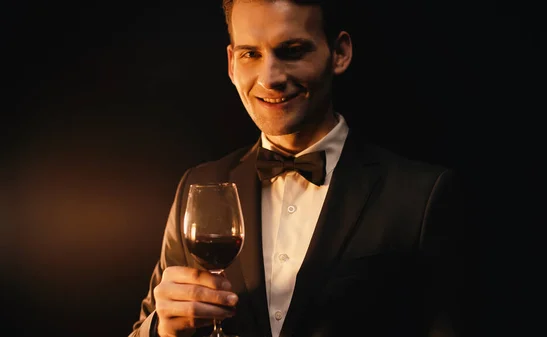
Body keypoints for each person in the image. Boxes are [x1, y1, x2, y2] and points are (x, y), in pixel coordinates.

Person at [129, 0, 467, 336]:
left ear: (340, 53)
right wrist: (162, 329)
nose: (269, 78)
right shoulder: (198, 184)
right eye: (251, 54)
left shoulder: (421, 196)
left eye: (291, 50)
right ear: (232, 64)